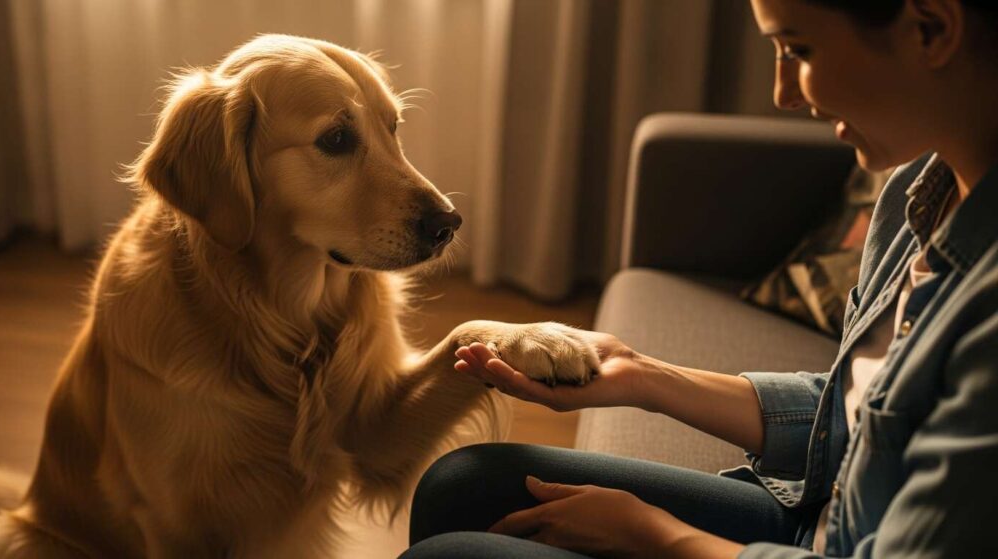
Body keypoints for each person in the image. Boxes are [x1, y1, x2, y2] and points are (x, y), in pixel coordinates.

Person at [401, 0, 998, 557]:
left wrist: (656, 537)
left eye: (798, 50)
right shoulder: (916, 192)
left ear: (931, 30)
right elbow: (857, 407)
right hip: (822, 519)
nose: (783, 93)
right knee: (463, 485)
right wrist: (645, 376)